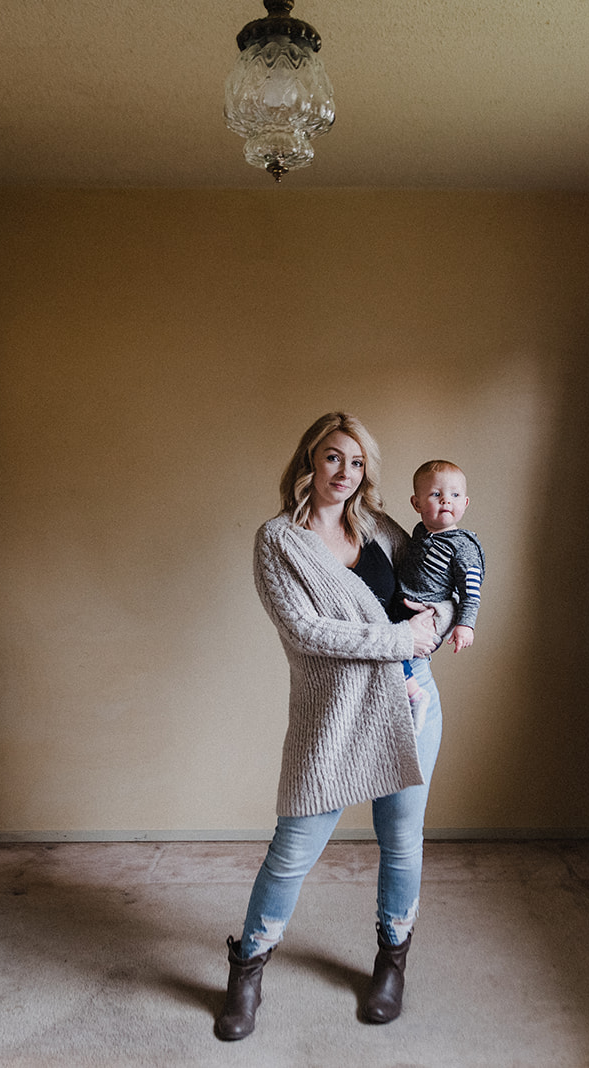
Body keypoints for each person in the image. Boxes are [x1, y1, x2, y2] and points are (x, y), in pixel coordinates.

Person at [215, 412, 441, 1042]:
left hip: (410, 703)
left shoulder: (376, 527)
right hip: (335, 714)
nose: (345, 473)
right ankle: (247, 972)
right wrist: (401, 634)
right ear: (310, 460)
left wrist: (441, 619)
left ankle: (390, 964)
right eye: (334, 458)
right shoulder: (278, 540)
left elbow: (434, 581)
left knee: (401, 843)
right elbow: (307, 633)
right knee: (290, 854)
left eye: (358, 462)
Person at [393, 460, 484, 720]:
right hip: (402, 604)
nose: (446, 501)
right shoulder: (420, 532)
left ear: (465, 503)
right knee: (382, 638)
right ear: (417, 504)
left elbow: (471, 592)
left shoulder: (463, 547)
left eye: (455, 495)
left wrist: (465, 624)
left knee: (390, 648)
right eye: (436, 494)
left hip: (425, 617)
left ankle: (415, 695)